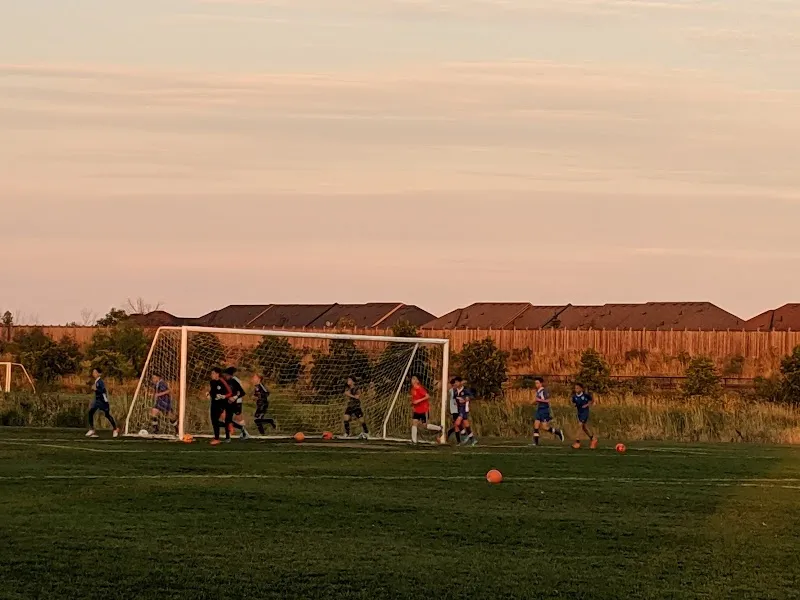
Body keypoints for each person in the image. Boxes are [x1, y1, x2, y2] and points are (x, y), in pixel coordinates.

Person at [86, 367, 119, 438]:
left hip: (102, 402)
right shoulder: (96, 381)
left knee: (107, 415)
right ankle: (92, 429)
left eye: (95, 372)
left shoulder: (100, 382)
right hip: (97, 401)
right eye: (93, 372)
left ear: (99, 373)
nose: (93, 374)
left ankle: (115, 429)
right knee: (90, 412)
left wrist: (96, 390)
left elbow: (103, 391)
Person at [410, 375, 443, 444]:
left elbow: (427, 396)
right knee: (414, 423)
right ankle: (414, 440)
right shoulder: (413, 389)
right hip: (417, 410)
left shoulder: (420, 389)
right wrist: (413, 404)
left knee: (425, 425)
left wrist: (418, 401)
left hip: (424, 410)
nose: (412, 380)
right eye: (412, 379)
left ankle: (439, 428)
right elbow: (414, 400)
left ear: (417, 381)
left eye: (414, 379)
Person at [532, 377, 564, 446]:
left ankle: (558, 432)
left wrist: (539, 400)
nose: (536, 384)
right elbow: (538, 400)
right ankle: (536, 443)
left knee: (545, 427)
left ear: (541, 383)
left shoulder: (544, 391)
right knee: (536, 425)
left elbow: (547, 400)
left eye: (537, 383)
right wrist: (534, 402)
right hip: (539, 410)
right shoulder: (538, 391)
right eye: (535, 383)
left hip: (544, 410)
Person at [222, 367, 250, 440]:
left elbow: (241, 392)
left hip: (237, 402)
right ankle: (234, 431)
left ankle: (243, 432)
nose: (225, 376)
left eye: (226, 374)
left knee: (237, 418)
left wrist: (234, 398)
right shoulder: (226, 381)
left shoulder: (235, 381)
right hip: (230, 402)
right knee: (227, 418)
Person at [208, 367, 233, 445]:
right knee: (214, 421)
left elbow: (230, 392)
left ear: (217, 374)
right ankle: (228, 425)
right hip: (213, 403)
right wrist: (208, 394)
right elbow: (212, 392)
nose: (211, 375)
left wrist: (223, 396)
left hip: (221, 404)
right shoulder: (212, 382)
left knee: (215, 421)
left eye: (213, 373)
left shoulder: (222, 381)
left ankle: (217, 438)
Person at [571, 383, 598, 449]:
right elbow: (574, 403)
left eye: (577, 388)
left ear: (581, 389)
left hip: (585, 412)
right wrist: (574, 405)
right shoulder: (574, 397)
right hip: (579, 413)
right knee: (584, 427)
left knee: (579, 425)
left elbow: (591, 400)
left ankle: (577, 442)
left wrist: (587, 405)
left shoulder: (585, 395)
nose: (576, 389)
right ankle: (593, 439)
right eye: (575, 388)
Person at [451, 377, 477, 446]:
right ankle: (472, 440)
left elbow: (471, 397)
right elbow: (455, 399)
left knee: (457, 423)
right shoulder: (455, 391)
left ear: (460, 382)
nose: (456, 383)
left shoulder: (465, 390)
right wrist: (456, 402)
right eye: (455, 382)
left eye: (457, 382)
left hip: (464, 409)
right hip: (459, 409)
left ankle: (464, 437)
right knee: (466, 425)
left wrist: (466, 399)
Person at [446, 377, 462, 444]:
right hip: (455, 410)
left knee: (459, 425)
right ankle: (458, 441)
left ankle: (450, 432)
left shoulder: (457, 390)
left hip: (458, 410)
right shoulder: (452, 391)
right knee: (457, 425)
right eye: (455, 383)